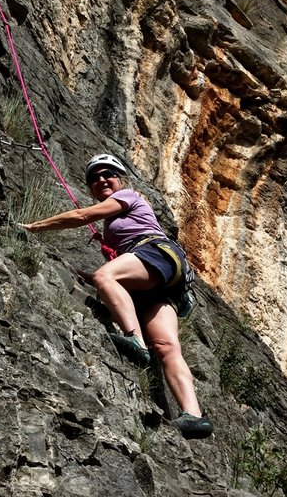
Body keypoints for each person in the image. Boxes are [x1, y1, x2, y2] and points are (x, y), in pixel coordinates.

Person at [21, 153, 213, 440]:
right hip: (158, 280)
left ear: (121, 178)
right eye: (94, 178)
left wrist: (34, 227)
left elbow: (81, 216)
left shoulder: (129, 195)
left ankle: (134, 340)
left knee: (104, 277)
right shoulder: (120, 219)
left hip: (154, 253)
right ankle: (193, 416)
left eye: (106, 174)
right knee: (166, 346)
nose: (100, 180)